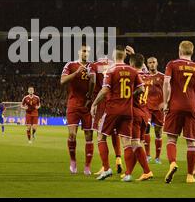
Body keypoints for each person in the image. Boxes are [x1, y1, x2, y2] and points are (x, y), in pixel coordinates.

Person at [90, 45, 145, 182]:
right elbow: (142, 89)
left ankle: (107, 168)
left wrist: (94, 104)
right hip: (128, 111)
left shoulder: (111, 70)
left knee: (101, 137)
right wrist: (129, 96)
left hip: (112, 110)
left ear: (114, 56)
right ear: (125, 56)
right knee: (127, 143)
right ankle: (127, 174)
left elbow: (104, 91)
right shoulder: (133, 71)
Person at [162, 40, 195, 184]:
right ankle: (189, 176)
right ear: (192, 52)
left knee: (171, 139)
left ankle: (173, 163)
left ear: (179, 51)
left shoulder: (172, 64)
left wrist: (166, 102)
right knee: (192, 143)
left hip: (175, 106)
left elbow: (166, 83)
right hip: (192, 107)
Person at [87, 42, 123, 175]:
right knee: (114, 132)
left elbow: (92, 81)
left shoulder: (94, 65)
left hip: (101, 101)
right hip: (115, 102)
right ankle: (118, 159)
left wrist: (91, 99)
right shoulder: (115, 65)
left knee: (100, 135)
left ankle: (105, 167)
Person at [61, 44, 94, 175]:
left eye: (88, 52)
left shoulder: (93, 66)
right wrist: (76, 73)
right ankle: (73, 161)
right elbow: (62, 81)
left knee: (89, 135)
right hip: (73, 103)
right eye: (84, 51)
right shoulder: (70, 65)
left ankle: (87, 166)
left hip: (88, 105)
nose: (86, 53)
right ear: (79, 52)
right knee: (72, 134)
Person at [127, 53, 154, 181]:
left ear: (131, 64)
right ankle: (128, 172)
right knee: (137, 145)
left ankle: (147, 171)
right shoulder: (148, 76)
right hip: (145, 113)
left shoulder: (133, 77)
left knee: (135, 144)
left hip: (135, 113)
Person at [144, 57, 165, 164]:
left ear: (157, 64)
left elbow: (168, 90)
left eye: (153, 62)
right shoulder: (144, 76)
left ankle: (157, 157)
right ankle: (147, 155)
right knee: (146, 129)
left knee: (158, 132)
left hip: (159, 109)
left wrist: (165, 102)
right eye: (150, 63)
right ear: (147, 64)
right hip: (147, 107)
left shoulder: (162, 77)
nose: (152, 64)